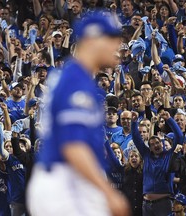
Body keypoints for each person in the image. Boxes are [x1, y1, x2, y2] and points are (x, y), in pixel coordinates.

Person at [27, 13, 130, 216]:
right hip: (65, 185)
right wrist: (108, 192)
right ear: (92, 40)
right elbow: (73, 146)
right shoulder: (76, 81)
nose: (117, 44)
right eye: (111, 38)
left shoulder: (76, 77)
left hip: (66, 182)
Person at [131, 110, 183, 216]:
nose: (156, 145)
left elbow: (179, 137)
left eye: (158, 142)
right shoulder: (146, 155)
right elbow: (136, 139)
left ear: (162, 143)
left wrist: (169, 119)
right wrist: (134, 122)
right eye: (153, 144)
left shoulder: (169, 155)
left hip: (164, 203)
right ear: (149, 148)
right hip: (146, 204)